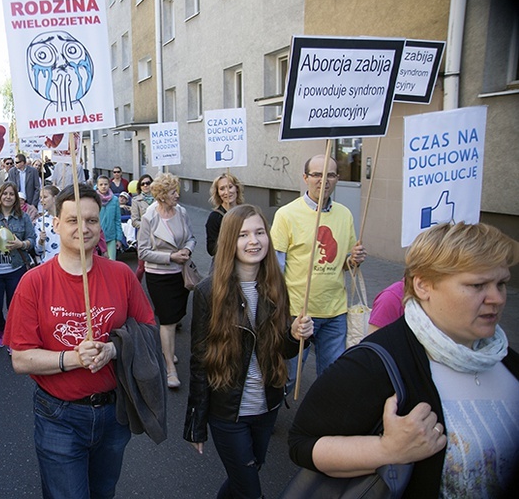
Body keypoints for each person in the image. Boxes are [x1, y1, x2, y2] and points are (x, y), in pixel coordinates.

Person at [288, 222, 519, 498]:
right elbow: (301, 443)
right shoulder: (375, 362)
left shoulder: (507, 360)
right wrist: (387, 450)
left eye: (501, 284)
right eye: (477, 285)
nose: (496, 298)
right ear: (423, 285)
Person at [3, 184, 156, 499]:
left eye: (91, 220)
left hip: (114, 414)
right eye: (73, 220)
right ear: (56, 223)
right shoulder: (33, 283)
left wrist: (113, 349)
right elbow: (20, 359)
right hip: (59, 416)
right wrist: (73, 358)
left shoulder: (121, 275)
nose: (83, 228)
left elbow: (149, 330)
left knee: (103, 493)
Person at [184, 204, 313, 499]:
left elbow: (284, 350)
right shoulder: (208, 292)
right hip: (228, 413)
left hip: (266, 407)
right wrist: (195, 422)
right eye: (243, 235)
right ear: (230, 241)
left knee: (247, 476)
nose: (254, 241)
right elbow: (199, 360)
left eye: (259, 233)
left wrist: (296, 335)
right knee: (251, 490)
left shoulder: (276, 286)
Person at [271, 154, 366, 379]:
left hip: (335, 312)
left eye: (331, 175)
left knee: (332, 378)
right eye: (317, 174)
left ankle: (324, 414)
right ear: (305, 177)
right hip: (298, 312)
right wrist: (278, 309)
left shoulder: (344, 214)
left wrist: (354, 259)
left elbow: (344, 263)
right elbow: (276, 268)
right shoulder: (286, 214)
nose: (324, 180)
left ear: (337, 178)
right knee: (288, 377)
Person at [138, 172, 196, 388]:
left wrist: (187, 250)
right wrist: (170, 256)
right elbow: (142, 252)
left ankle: (168, 350)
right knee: (168, 320)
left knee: (178, 314)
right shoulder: (149, 217)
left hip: (180, 274)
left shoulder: (181, 212)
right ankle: (169, 367)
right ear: (162, 196)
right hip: (159, 276)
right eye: (173, 192)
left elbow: (191, 237)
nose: (177, 196)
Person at [0, 182, 36, 348]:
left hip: (16, 269)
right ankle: (1, 329)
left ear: (16, 198)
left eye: (11, 194)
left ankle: (11, 337)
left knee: (14, 309)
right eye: (5, 194)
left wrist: (21, 244)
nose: (8, 197)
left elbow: (31, 241)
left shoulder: (23, 218)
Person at [205, 173, 244, 258]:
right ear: (218, 193)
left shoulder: (245, 212)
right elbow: (211, 249)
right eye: (222, 189)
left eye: (230, 187)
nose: (227, 192)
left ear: (236, 188)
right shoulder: (215, 217)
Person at [130, 174, 154, 281]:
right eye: (142, 184)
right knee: (141, 266)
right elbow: (134, 221)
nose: (145, 185)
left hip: (158, 236)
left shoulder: (158, 199)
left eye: (148, 183)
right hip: (143, 237)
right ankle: (135, 286)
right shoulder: (136, 201)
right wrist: (147, 226)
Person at [96, 175, 123, 260]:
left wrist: (118, 238)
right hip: (96, 236)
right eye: (101, 184)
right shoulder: (94, 199)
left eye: (105, 184)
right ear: (97, 186)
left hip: (111, 236)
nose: (103, 186)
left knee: (111, 261)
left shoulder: (114, 200)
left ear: (109, 185)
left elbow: (117, 219)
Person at [34, 185, 60, 262]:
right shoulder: (40, 222)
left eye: (44, 197)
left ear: (55, 198)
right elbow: (37, 251)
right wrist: (41, 241)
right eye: (40, 198)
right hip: (48, 264)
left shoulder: (68, 218)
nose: (41, 200)